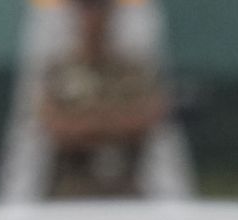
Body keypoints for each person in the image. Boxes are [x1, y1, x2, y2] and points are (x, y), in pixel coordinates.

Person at [40, 0, 172, 199]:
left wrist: (86, 122)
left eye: (100, 8)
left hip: (128, 194)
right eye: (86, 9)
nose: (93, 19)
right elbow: (54, 126)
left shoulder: (132, 71)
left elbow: (149, 118)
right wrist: (114, 122)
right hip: (71, 195)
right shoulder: (59, 70)